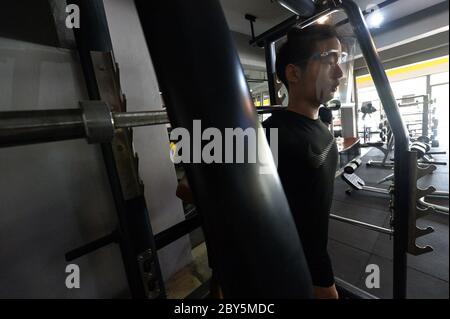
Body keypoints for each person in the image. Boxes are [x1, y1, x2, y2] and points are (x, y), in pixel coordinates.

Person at [263, 24, 344, 299]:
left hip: (318, 251)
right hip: (295, 262)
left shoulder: (321, 123)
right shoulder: (273, 132)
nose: (340, 73)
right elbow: (190, 187)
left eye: (340, 62)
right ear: (293, 73)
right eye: (330, 62)